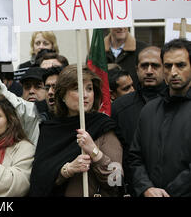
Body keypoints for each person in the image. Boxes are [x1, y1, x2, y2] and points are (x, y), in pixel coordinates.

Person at [29, 65, 123, 197]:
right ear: (62, 95)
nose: (85, 95)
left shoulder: (103, 126)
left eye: (89, 89)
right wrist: (67, 170)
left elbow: (116, 180)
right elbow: (38, 180)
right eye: (76, 88)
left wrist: (94, 152)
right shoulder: (49, 129)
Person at [129, 38, 191, 197]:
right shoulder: (149, 110)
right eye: (168, 66)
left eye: (181, 65)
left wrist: (168, 193)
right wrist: (146, 188)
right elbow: (135, 158)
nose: (174, 72)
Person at [111, 46, 166, 196]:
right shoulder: (120, 107)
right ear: (136, 69)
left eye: (155, 65)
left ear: (165, 68)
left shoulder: (180, 104)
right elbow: (116, 155)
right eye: (144, 66)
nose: (149, 71)